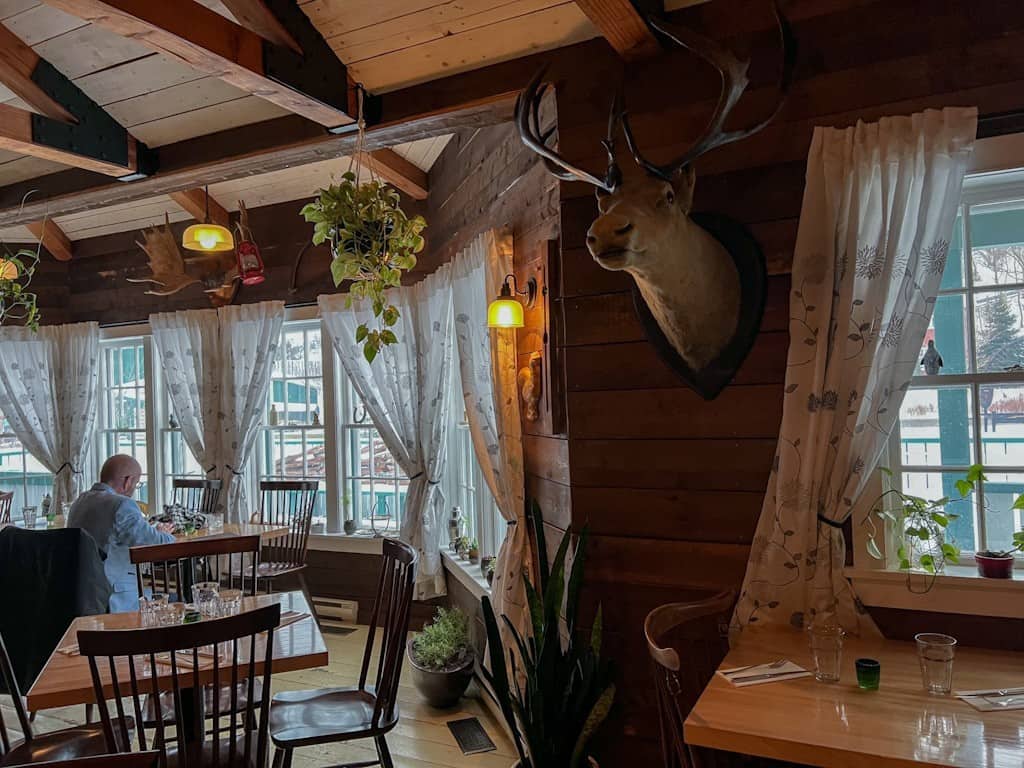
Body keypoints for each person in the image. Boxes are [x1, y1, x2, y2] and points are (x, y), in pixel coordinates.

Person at [67, 454, 175, 612]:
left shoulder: (80, 501)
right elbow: (156, 543)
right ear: (127, 481)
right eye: (136, 483)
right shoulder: (122, 505)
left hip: (80, 591)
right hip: (114, 596)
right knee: (176, 600)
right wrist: (165, 533)